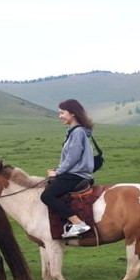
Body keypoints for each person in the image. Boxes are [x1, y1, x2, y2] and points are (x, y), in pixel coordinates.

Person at [40, 99, 95, 238]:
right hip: (74, 172)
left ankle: (78, 224)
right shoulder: (75, 131)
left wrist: (57, 172)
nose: (60, 116)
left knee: (47, 196)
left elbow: (73, 157)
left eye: (62, 113)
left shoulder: (77, 133)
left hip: (76, 174)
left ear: (73, 113)